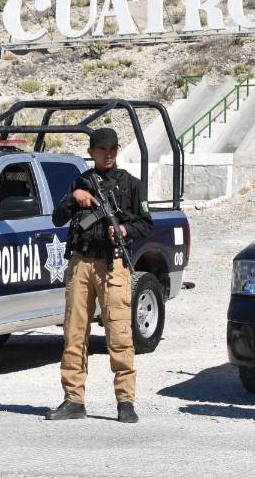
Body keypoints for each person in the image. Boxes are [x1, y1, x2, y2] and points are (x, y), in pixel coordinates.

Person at [45, 127, 153, 423]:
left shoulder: (131, 185)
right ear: (91, 152)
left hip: (113, 263)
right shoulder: (81, 182)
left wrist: (124, 230)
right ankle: (73, 400)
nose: (108, 154)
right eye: (102, 149)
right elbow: (57, 217)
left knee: (119, 334)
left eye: (113, 149)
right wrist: (74, 197)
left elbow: (146, 224)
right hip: (81, 263)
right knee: (74, 333)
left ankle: (125, 401)